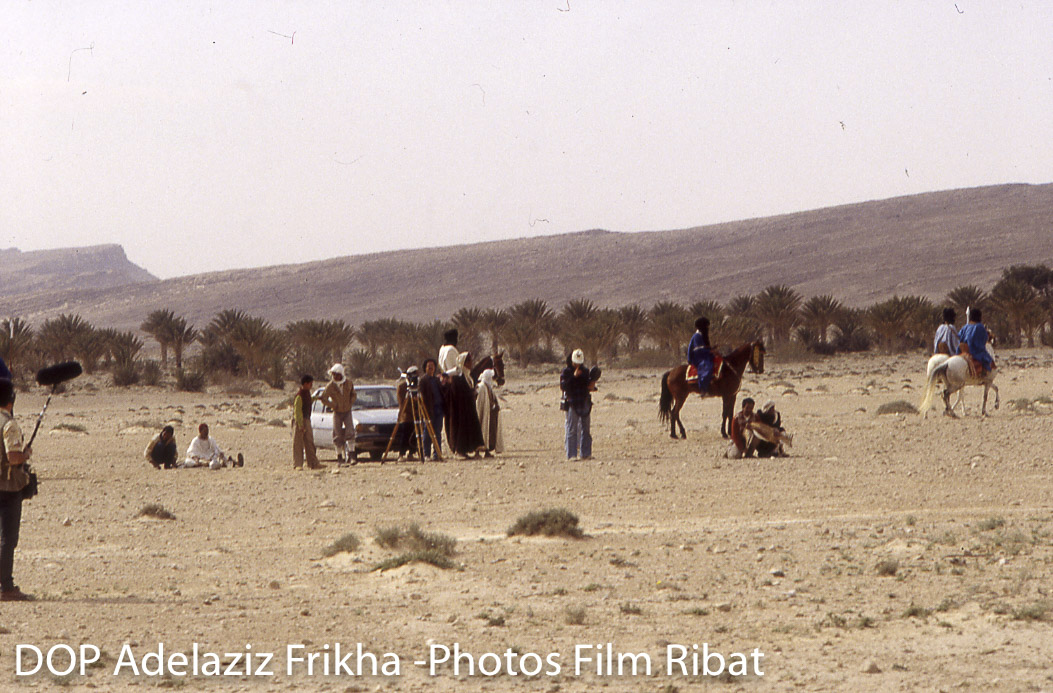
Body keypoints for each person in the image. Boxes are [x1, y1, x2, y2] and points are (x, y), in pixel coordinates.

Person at [0, 378, 32, 601]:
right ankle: (6, 587)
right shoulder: (9, 424)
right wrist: (26, 454)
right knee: (8, 538)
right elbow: (13, 458)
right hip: (8, 487)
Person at [447, 351, 485, 458]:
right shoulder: (457, 377)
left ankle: (472, 449)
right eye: (468, 361)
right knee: (461, 430)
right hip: (461, 408)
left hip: (469, 407)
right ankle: (460, 451)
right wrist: (469, 393)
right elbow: (456, 393)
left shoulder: (468, 376)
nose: (470, 363)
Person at [560, 348, 596, 461]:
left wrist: (593, 382)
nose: (578, 366)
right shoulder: (566, 372)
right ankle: (571, 455)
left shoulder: (585, 371)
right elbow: (564, 386)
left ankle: (586, 453)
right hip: (572, 403)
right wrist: (573, 377)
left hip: (584, 402)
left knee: (586, 429)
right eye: (576, 363)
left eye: (579, 364)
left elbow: (589, 387)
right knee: (572, 429)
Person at [319, 363, 356, 464]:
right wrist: (332, 405)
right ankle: (339, 457)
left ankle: (352, 456)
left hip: (347, 411)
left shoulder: (348, 383)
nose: (335, 376)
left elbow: (353, 394)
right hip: (337, 412)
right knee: (337, 434)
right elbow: (323, 398)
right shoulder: (330, 386)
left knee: (350, 432)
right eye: (333, 374)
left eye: (336, 374)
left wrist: (350, 402)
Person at [293, 374, 324, 470]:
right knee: (298, 443)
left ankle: (313, 463)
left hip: (307, 419)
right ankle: (298, 464)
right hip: (300, 421)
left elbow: (310, 400)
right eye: (310, 383)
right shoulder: (299, 396)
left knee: (309, 442)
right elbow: (297, 411)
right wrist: (300, 424)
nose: (311, 385)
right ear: (305, 384)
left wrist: (318, 398)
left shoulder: (307, 394)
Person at [419, 358, 446, 460]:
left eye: (432, 366)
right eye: (429, 366)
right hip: (428, 410)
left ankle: (437, 454)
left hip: (438, 409)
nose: (431, 368)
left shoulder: (436, 380)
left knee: (438, 432)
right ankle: (426, 454)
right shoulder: (423, 381)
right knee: (427, 432)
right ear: (425, 368)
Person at [395, 366, 421, 462]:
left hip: (416, 414)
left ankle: (412, 453)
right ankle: (401, 454)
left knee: (415, 434)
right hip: (406, 415)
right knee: (405, 435)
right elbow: (402, 403)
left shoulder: (417, 386)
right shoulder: (402, 387)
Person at [476, 368, 504, 456]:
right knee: (481, 430)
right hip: (484, 414)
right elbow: (480, 403)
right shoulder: (481, 387)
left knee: (490, 432)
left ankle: (487, 451)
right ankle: (477, 452)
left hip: (490, 414)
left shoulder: (489, 387)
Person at [958, 307, 994, 374]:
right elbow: (984, 339)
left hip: (963, 349)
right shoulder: (979, 326)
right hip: (974, 350)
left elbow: (959, 336)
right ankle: (984, 374)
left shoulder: (965, 327)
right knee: (988, 360)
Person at [687, 317, 716, 394]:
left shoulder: (702, 335)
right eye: (706, 327)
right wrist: (709, 351)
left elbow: (704, 347)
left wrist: (711, 349)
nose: (707, 328)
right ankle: (703, 388)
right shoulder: (697, 336)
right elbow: (698, 350)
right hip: (698, 357)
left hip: (704, 354)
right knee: (707, 367)